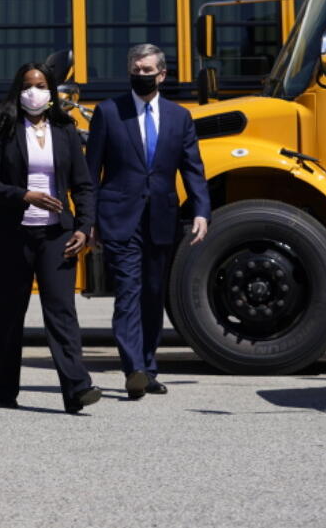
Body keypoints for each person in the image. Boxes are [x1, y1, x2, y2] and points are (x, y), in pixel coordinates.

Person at [85, 43, 210, 399]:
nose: (141, 76)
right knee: (128, 293)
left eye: (147, 71)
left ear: (163, 74)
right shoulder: (109, 113)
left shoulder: (179, 117)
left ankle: (149, 368)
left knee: (153, 296)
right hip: (119, 218)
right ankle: (133, 369)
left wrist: (201, 210)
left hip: (161, 219)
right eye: (136, 70)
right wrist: (88, 219)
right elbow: (91, 171)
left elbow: (193, 169)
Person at [0, 62, 101, 413]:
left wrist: (83, 225)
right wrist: (25, 195)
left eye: (42, 85)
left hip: (56, 235)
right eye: (29, 85)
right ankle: (2, 389)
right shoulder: (3, 129)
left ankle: (77, 389)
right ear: (19, 91)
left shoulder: (64, 131)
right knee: (11, 311)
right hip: (11, 235)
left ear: (51, 92)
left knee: (62, 312)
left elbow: (84, 185)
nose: (35, 91)